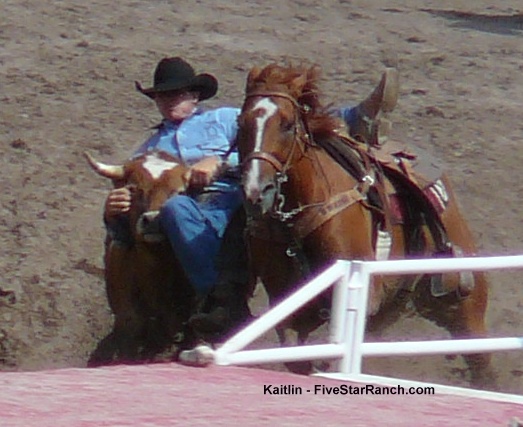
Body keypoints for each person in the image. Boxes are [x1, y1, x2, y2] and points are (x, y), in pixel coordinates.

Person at [103, 56, 399, 338]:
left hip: (239, 188)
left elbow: (268, 128)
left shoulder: (224, 119)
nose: (168, 101)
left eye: (177, 94)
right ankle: (218, 298)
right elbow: (135, 184)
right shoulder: (148, 148)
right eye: (162, 96)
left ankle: (355, 116)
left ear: (195, 95)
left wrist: (217, 163)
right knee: (175, 210)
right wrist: (116, 205)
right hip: (188, 206)